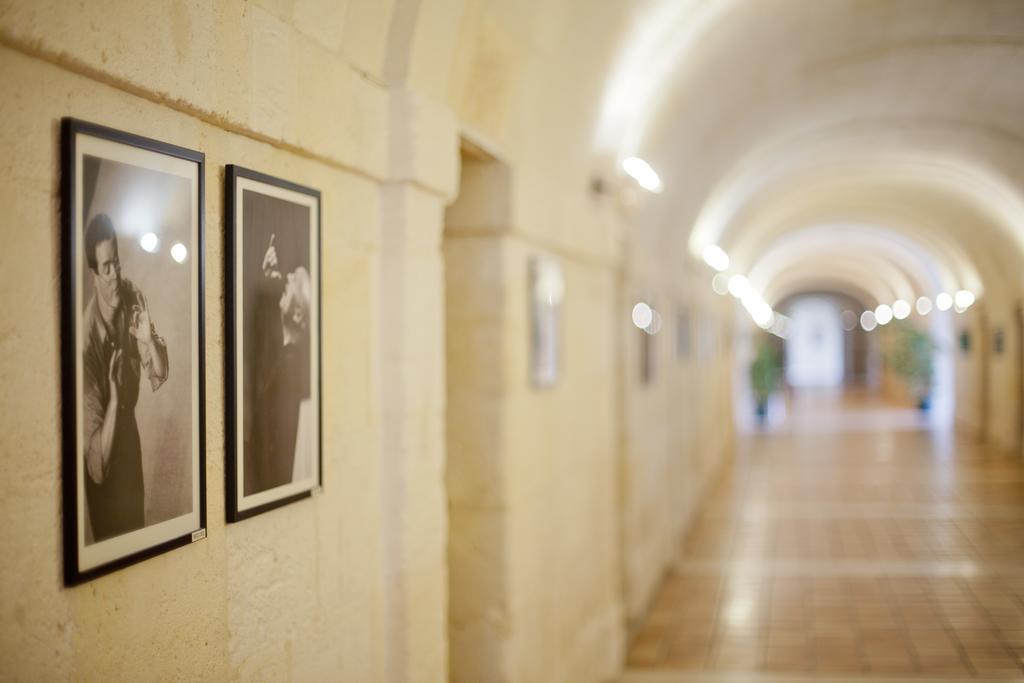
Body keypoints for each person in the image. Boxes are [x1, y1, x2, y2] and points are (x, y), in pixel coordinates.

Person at [81, 214, 168, 541]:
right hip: (104, 452)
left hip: (128, 438)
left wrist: (148, 342)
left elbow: (158, 375)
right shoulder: (87, 342)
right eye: (106, 268)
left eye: (116, 263)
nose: (115, 275)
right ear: (93, 274)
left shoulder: (132, 297)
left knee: (138, 538)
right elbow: (97, 468)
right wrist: (115, 399)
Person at [245, 233, 311, 494]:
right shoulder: (282, 355)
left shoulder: (291, 366)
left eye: (295, 280)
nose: (288, 277)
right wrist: (266, 278)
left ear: (297, 313)